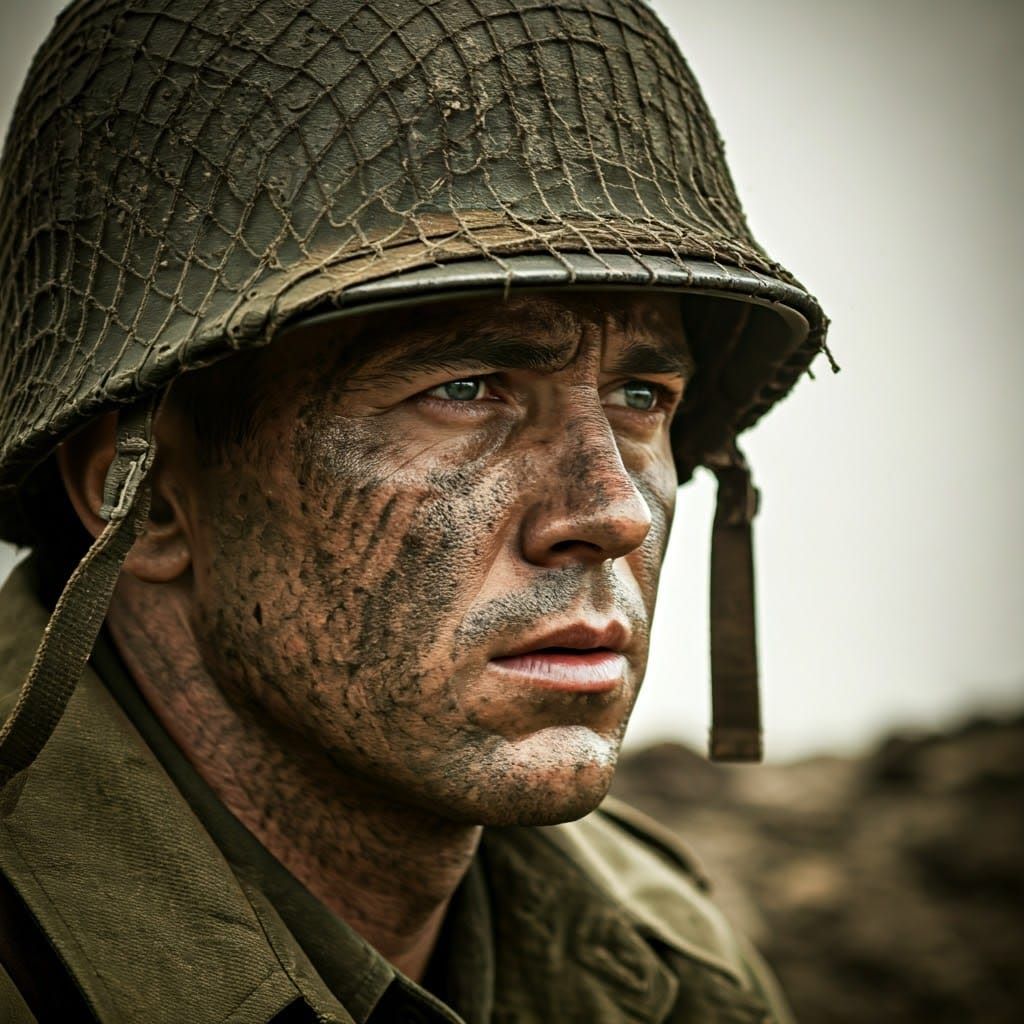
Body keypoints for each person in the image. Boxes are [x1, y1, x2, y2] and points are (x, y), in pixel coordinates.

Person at [0, 1, 830, 1021]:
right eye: (469, 388)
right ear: (148, 496)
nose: (614, 511)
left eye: (639, 397)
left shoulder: (675, 972)